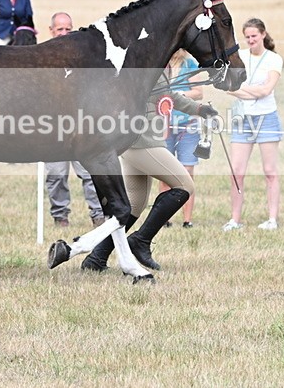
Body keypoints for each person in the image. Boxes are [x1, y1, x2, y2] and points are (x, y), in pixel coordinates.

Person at [80, 74, 218, 272]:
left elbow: (166, 96)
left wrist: (199, 109)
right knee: (185, 186)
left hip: (140, 141)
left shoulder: (156, 65)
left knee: (134, 205)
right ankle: (141, 240)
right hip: (142, 141)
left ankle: (96, 258)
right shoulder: (139, 62)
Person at [44, 12, 106, 227]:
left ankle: (98, 214)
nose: (64, 33)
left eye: (68, 29)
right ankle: (60, 216)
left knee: (90, 173)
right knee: (56, 174)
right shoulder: (41, 57)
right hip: (51, 127)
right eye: (60, 29)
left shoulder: (84, 57)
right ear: (51, 31)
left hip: (81, 124)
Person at [223, 17, 283, 231]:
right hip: (242, 119)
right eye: (247, 37)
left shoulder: (274, 59)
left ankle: (272, 219)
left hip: (266, 118)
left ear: (263, 34)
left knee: (269, 171)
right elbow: (229, 87)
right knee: (237, 171)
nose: (250, 40)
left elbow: (267, 90)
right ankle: (235, 219)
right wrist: (249, 93)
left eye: (254, 36)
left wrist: (244, 91)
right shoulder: (240, 56)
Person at [158, 50, 204, 228]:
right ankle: (164, 219)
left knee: (187, 171)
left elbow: (198, 92)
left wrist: (177, 96)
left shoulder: (190, 63)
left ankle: (187, 220)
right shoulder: (160, 63)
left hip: (187, 125)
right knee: (164, 173)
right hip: (164, 125)